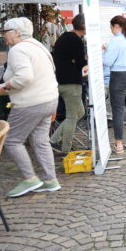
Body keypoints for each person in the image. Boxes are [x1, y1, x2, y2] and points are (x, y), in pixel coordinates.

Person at [0, 18, 60, 197]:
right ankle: (50, 180)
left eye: (5, 31)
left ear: (16, 33)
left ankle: (30, 179)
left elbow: (25, 77)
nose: (3, 35)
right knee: (40, 141)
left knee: (12, 140)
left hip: (30, 103)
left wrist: (3, 88)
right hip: (48, 99)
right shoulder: (37, 45)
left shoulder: (17, 50)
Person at [102, 16, 126, 154]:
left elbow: (107, 61)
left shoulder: (116, 40)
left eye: (111, 27)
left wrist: (103, 53)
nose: (111, 30)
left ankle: (118, 144)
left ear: (116, 26)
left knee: (118, 109)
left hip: (119, 75)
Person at [49, 14, 87, 155]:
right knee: (72, 116)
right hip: (71, 82)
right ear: (84, 26)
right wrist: (85, 61)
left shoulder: (64, 37)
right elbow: (82, 64)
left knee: (80, 112)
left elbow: (73, 60)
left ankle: (53, 139)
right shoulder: (76, 41)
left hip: (61, 81)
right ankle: (65, 149)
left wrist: (77, 61)